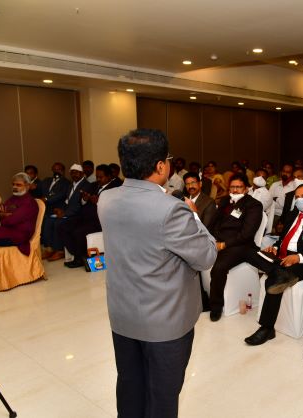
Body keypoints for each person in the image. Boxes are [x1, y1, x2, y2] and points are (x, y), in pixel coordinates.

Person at [99, 129, 217, 418]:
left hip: (123, 315)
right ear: (161, 166)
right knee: (162, 398)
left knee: (130, 387)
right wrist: (193, 214)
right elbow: (206, 256)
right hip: (165, 323)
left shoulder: (106, 199)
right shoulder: (172, 209)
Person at [242, 184, 303, 345]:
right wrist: (275, 248)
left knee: (274, 280)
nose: (299, 200)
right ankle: (278, 271)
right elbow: (283, 239)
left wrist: (298, 257)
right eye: (297, 197)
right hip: (283, 258)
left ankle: (266, 328)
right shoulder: (292, 215)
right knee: (249, 252)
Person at [208, 173, 263, 321]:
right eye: (232, 187)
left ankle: (216, 307)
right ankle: (204, 295)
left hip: (240, 245)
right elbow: (213, 223)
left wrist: (224, 244)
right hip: (219, 241)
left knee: (218, 268)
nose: (235, 190)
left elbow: (247, 234)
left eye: (239, 187)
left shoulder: (254, 205)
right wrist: (212, 239)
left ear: (246, 189)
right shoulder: (225, 201)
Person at [60, 164, 120, 268]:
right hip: (84, 217)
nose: (98, 179)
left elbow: (115, 208)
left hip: (100, 221)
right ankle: (78, 253)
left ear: (109, 176)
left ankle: (79, 259)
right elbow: (82, 202)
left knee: (78, 232)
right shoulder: (93, 185)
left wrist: (99, 202)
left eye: (101, 177)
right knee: (63, 226)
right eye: (97, 177)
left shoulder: (115, 189)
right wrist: (84, 199)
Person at [42, 164, 92, 261]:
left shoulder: (86, 185)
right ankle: (50, 248)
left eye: (76, 173)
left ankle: (60, 250)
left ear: (82, 173)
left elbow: (80, 205)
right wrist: (61, 210)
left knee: (58, 223)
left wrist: (65, 214)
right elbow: (67, 201)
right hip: (69, 212)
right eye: (72, 173)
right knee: (49, 220)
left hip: (79, 215)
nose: (74, 175)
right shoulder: (71, 185)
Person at [40, 163, 71, 258]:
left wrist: (46, 199)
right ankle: (48, 248)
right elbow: (41, 191)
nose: (57, 171)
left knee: (52, 222)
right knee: (45, 223)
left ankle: (58, 250)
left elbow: (61, 195)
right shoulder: (46, 180)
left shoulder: (66, 182)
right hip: (46, 209)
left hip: (59, 208)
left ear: (63, 171)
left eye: (59, 169)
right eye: (55, 169)